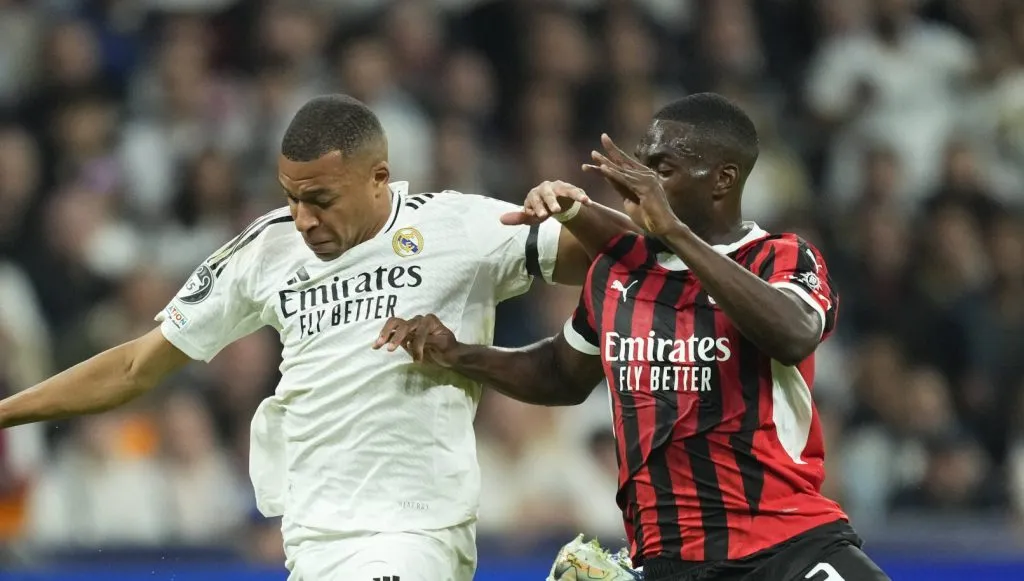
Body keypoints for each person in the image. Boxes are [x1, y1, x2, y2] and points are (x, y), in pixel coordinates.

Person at [0, 94, 637, 580]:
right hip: (311, 538)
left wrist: (580, 212)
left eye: (321, 199)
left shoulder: (460, 228)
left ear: (379, 177)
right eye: (291, 197)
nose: (303, 219)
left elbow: (624, 260)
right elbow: (135, 366)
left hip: (415, 530)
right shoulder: (266, 249)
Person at [375, 93, 892, 581]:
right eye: (640, 166)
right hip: (669, 560)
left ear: (723, 179)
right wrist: (457, 353)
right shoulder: (619, 271)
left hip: (786, 543)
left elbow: (795, 334)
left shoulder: (781, 257)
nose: (640, 185)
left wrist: (674, 233)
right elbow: (560, 374)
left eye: (661, 170)